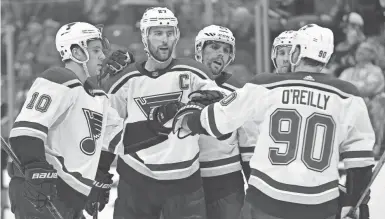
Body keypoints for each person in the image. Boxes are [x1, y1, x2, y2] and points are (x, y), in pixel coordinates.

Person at [172, 24, 375, 219]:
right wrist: (353, 199)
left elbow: (218, 120)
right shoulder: (348, 96)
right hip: (320, 205)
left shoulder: (264, 85)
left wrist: (190, 121)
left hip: (266, 202)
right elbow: (361, 161)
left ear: (296, 52)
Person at [101, 7, 224, 219]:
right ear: (145, 36)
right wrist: (100, 174)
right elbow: (107, 126)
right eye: (157, 33)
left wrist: (211, 106)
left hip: (185, 181)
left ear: (176, 36)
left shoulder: (194, 72)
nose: (164, 40)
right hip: (136, 180)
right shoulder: (126, 79)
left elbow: (222, 103)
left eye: (169, 33)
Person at [7, 22, 123, 219]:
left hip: (70, 198)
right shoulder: (58, 80)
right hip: (43, 193)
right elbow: (25, 131)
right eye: (96, 50)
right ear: (77, 53)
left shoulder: (98, 97)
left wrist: (99, 176)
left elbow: (113, 142)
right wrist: (36, 170)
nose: (103, 56)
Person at [193, 24, 256, 219]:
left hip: (227, 183)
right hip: (186, 180)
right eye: (214, 47)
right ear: (199, 49)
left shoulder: (239, 91)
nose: (220, 54)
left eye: (226, 50)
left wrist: (254, 191)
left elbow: (247, 145)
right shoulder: (181, 81)